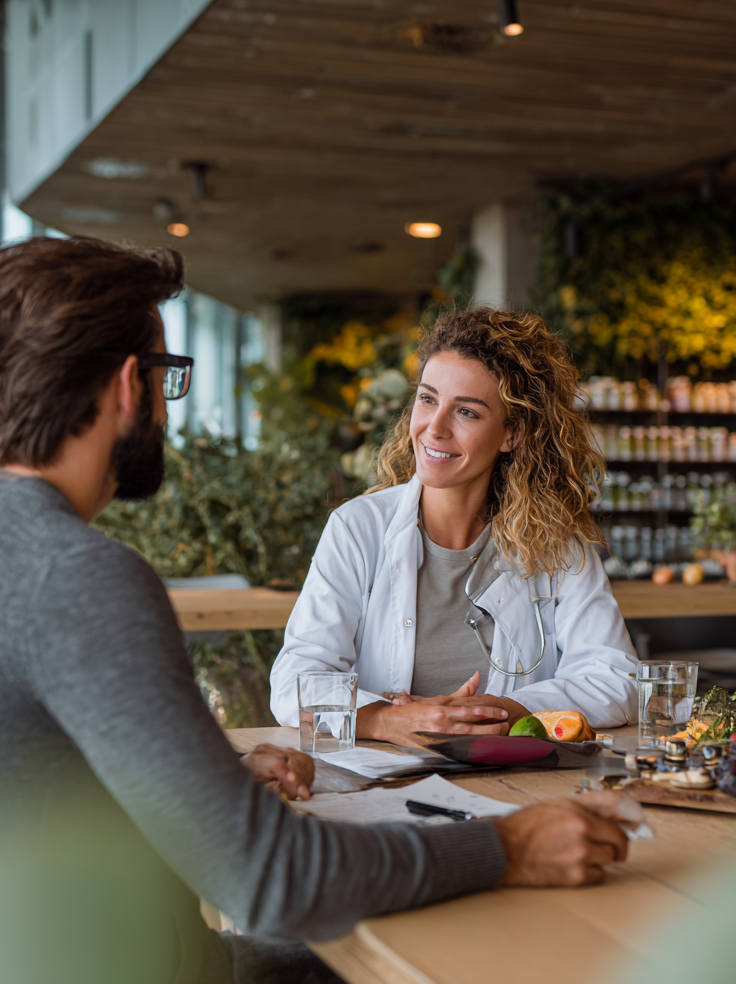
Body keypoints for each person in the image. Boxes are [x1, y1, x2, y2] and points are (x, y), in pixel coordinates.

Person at [0, 236, 635, 984]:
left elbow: (31, 774)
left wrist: (214, 772)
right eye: (171, 379)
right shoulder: (81, 575)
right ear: (131, 387)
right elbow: (273, 877)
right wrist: (512, 848)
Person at [271, 308, 637, 745]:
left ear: (512, 434)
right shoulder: (357, 529)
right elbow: (295, 681)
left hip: (520, 786)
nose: (434, 428)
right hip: (386, 786)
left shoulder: (557, 547)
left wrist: (501, 710)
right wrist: (389, 720)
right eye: (428, 399)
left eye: (466, 411)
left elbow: (618, 679)